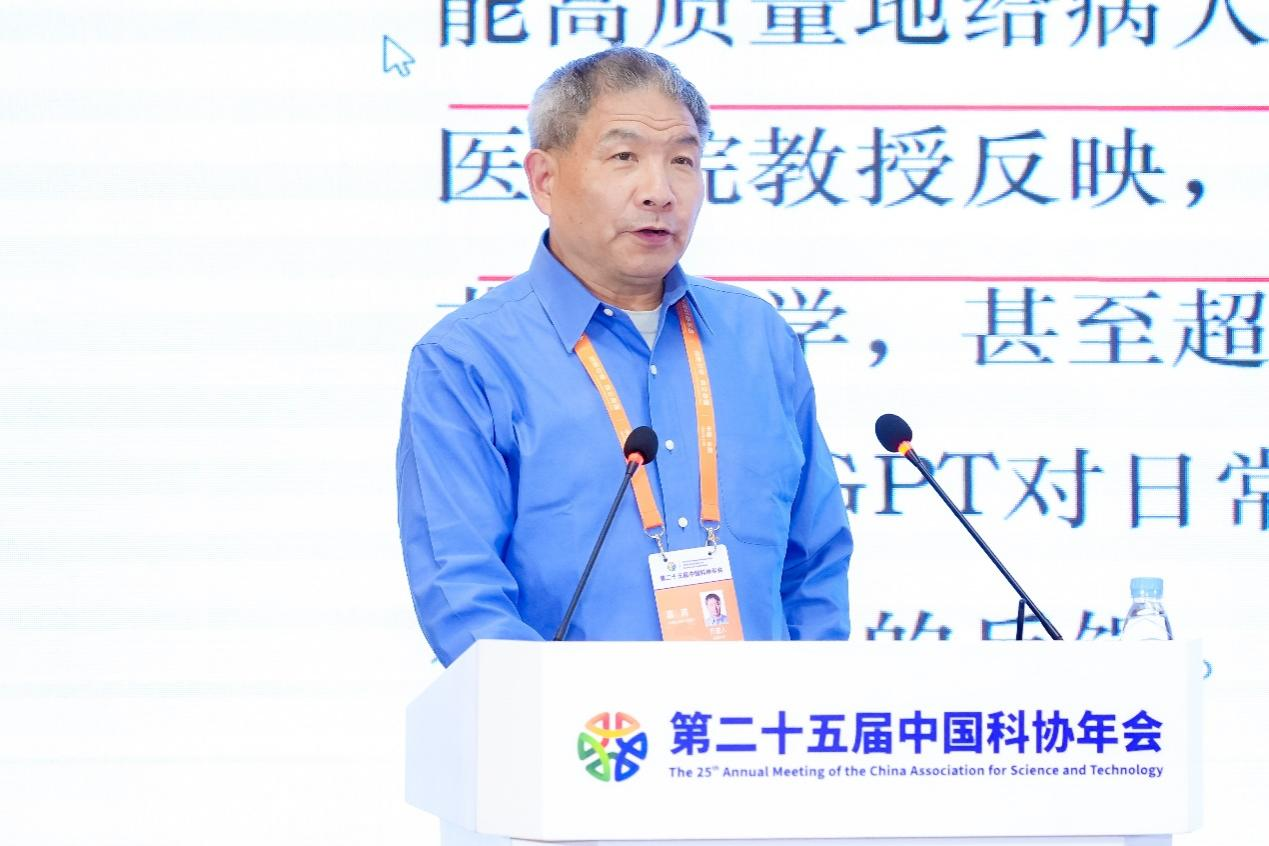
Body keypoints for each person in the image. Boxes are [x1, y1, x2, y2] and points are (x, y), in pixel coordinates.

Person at [396, 47, 852, 667]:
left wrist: (801, 700)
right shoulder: (468, 360)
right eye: (624, 158)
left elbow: (815, 560)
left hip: (753, 724)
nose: (659, 192)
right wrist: (561, 713)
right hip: (582, 726)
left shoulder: (759, 338)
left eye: (683, 160)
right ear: (544, 180)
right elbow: (461, 591)